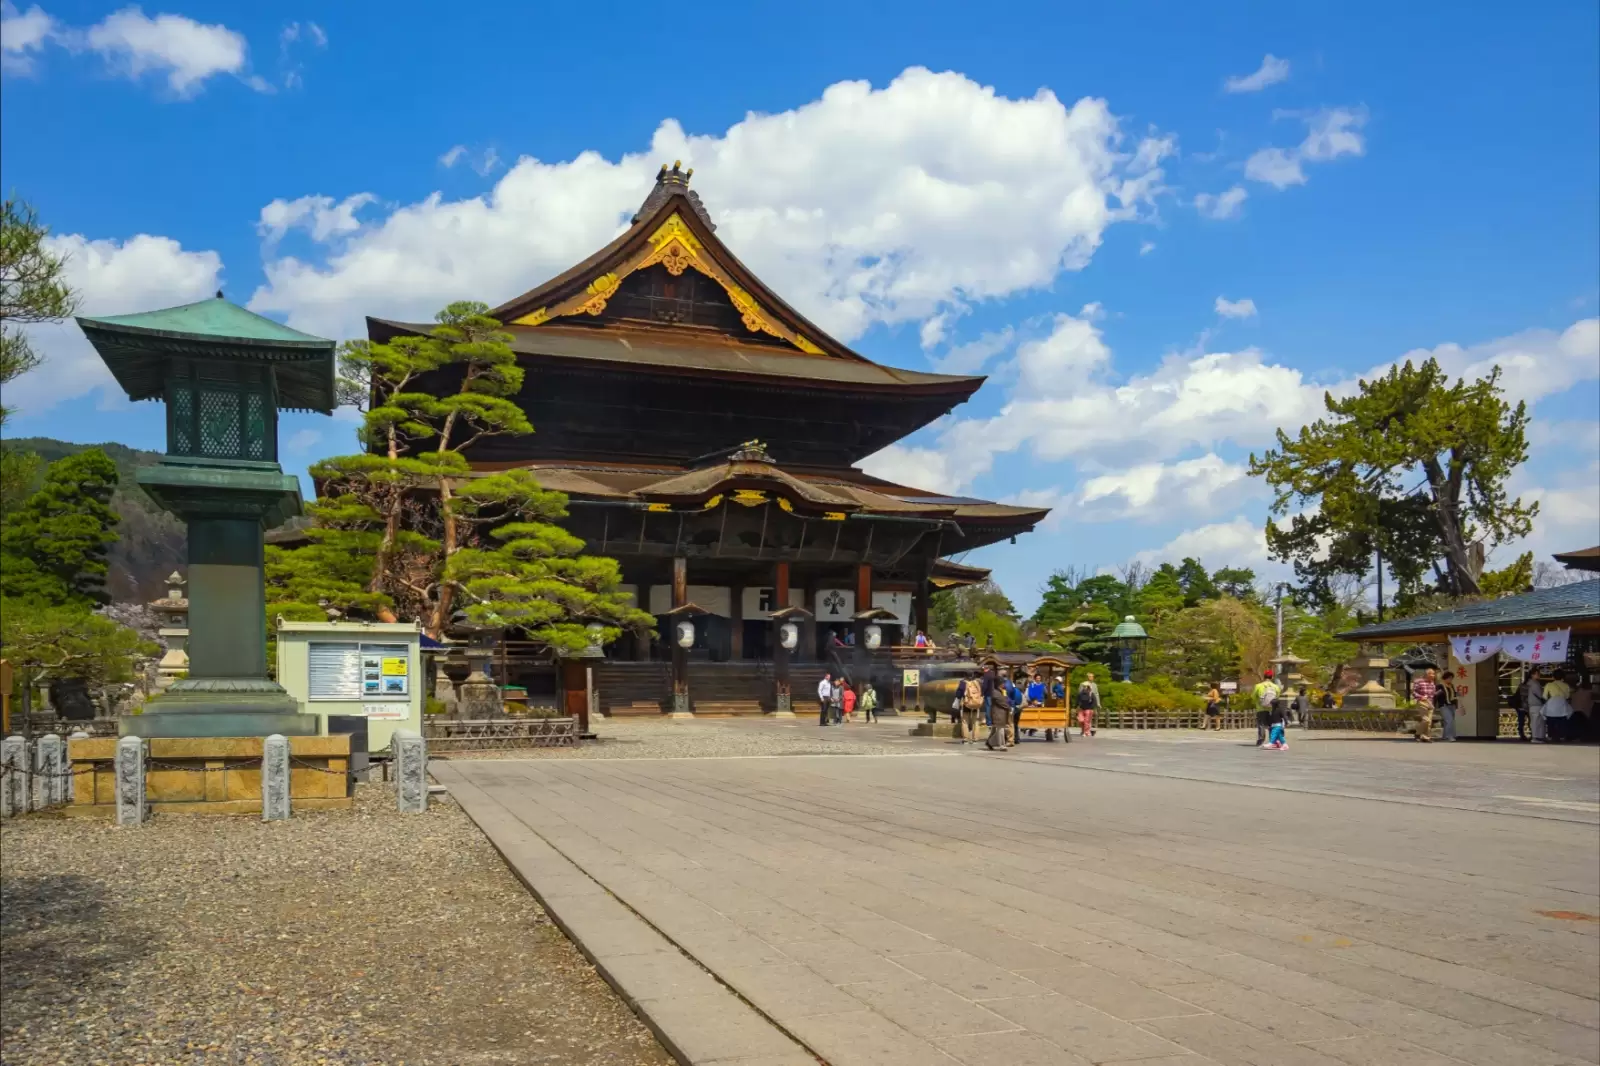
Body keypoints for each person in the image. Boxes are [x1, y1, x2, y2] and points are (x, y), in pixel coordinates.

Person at [1542, 672, 1574, 743]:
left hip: (1551, 705)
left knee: (1550, 721)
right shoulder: (1566, 685)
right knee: (1562, 721)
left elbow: (1544, 696)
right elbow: (1568, 696)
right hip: (1562, 705)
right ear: (1562, 677)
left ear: (1553, 677)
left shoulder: (1549, 685)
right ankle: (1562, 736)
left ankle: (1550, 736)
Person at [1252, 670, 1280, 746]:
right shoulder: (1276, 687)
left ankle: (1261, 739)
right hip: (1271, 709)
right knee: (1271, 725)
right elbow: (1277, 697)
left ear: (1264, 676)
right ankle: (1273, 740)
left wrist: (1259, 702)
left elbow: (1253, 697)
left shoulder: (1258, 686)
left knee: (1261, 724)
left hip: (1260, 708)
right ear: (1272, 677)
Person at [1411, 667, 1439, 743]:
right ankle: (1417, 734)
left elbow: (1433, 694)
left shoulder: (1432, 683)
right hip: (1422, 702)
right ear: (1427, 674)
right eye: (1431, 674)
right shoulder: (1419, 681)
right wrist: (1421, 697)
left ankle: (1426, 737)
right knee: (1426, 720)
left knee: (1429, 722)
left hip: (1430, 702)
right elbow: (1414, 692)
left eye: (1434, 674)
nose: (1433, 675)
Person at [987, 674, 1012, 751]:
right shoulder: (995, 692)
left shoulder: (1001, 691)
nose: (1004, 684)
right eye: (1002, 683)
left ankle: (990, 742)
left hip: (1002, 713)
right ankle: (1002, 745)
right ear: (998, 683)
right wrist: (1009, 707)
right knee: (1000, 730)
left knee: (999, 730)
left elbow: (1006, 700)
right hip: (998, 713)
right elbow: (1002, 702)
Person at [959, 672, 983, 743]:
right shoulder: (977, 683)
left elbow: (959, 693)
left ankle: (966, 738)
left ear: (965, 676)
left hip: (966, 704)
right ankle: (975, 738)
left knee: (965, 721)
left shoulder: (963, 683)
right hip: (975, 703)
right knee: (975, 721)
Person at [1437, 671, 1459, 742]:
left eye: (1451, 678)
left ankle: (1444, 736)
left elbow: (1453, 694)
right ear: (1445, 678)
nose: (1450, 679)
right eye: (1449, 678)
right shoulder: (1440, 685)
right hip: (1443, 705)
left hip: (1451, 705)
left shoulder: (1451, 685)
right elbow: (1436, 695)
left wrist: (1457, 694)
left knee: (1448, 721)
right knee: (1449, 720)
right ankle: (1450, 736)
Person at [1528, 670, 1548, 742]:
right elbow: (1541, 695)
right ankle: (1536, 737)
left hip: (1531, 705)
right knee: (1537, 722)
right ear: (1532, 675)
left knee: (1534, 721)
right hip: (1536, 705)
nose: (1539, 675)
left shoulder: (1529, 683)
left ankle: (1536, 737)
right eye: (1537, 674)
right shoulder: (1535, 684)